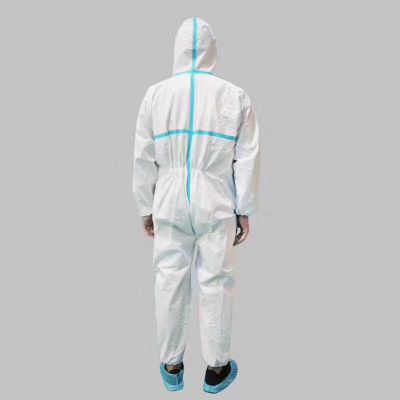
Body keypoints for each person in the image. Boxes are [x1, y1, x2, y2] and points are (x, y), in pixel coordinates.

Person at [133, 16, 259, 394]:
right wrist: (244, 208)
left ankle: (172, 366)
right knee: (216, 281)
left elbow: (143, 156)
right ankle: (216, 369)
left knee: (169, 279)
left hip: (169, 198)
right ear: (211, 50)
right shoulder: (234, 96)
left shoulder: (155, 95)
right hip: (216, 199)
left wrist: (145, 205)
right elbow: (247, 157)